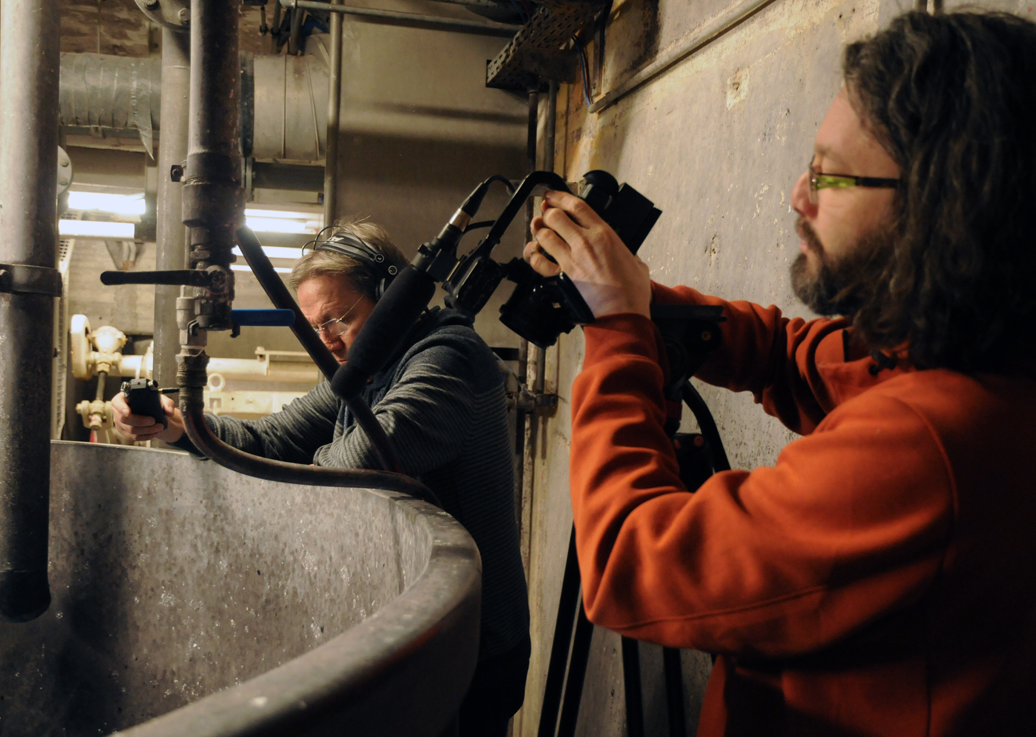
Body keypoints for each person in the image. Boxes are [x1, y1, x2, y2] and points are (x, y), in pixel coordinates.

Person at [524, 11, 1036, 737]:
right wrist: (637, 297)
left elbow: (629, 556)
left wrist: (617, 331)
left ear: (941, 203)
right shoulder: (971, 360)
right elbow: (792, 356)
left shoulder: (929, 444)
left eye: (830, 173)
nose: (799, 194)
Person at [113, 221, 530, 737]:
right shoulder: (366, 366)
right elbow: (268, 442)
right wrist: (181, 426)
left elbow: (360, 460)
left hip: (476, 645)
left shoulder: (450, 359)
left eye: (336, 320)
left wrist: (294, 471)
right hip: (422, 630)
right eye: (314, 326)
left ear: (393, 297)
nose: (326, 341)